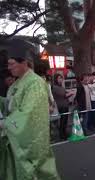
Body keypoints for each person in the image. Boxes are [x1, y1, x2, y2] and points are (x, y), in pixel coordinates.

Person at [0, 43, 60, 179]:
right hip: (16, 137)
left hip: (30, 140)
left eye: (12, 64)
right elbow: (10, 105)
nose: (9, 68)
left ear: (24, 63)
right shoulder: (17, 83)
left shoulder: (35, 83)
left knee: (32, 172)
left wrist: (5, 123)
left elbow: (29, 113)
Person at [52, 73, 70, 140]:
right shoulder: (55, 87)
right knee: (62, 121)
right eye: (59, 78)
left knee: (65, 121)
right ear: (56, 79)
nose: (61, 79)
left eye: (61, 78)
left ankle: (64, 133)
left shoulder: (61, 87)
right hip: (60, 106)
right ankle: (62, 135)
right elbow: (64, 94)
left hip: (65, 106)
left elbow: (65, 93)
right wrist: (70, 93)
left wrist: (69, 93)